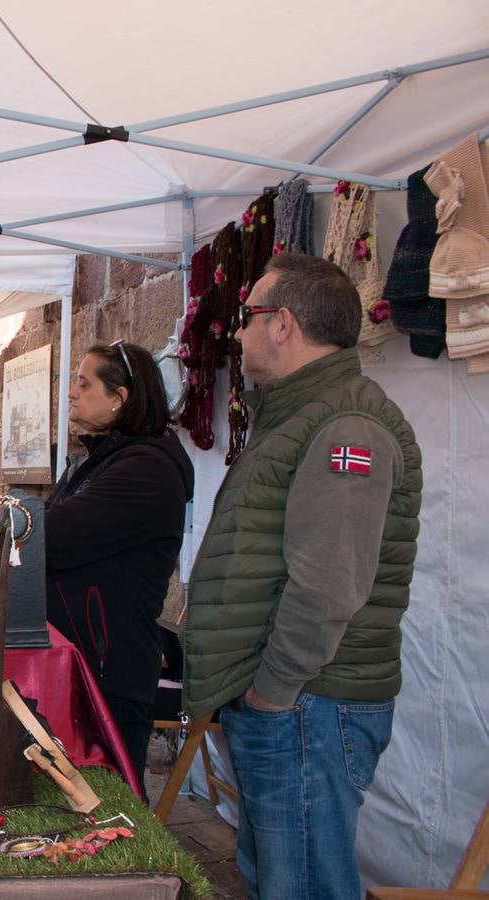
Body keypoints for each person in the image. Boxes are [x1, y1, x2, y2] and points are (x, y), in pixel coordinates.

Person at [182, 253, 422, 900]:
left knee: (305, 885)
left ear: (282, 323)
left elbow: (329, 582)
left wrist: (273, 691)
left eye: (248, 317)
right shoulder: (301, 412)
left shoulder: (346, 423)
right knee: (278, 879)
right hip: (294, 702)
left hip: (308, 703)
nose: (237, 333)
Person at [44, 340, 192, 797]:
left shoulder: (146, 468)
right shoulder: (101, 458)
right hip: (87, 656)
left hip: (110, 664)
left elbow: (56, 534)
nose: (71, 392)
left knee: (115, 799)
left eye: (83, 383)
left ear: (119, 398)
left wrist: (15, 516)